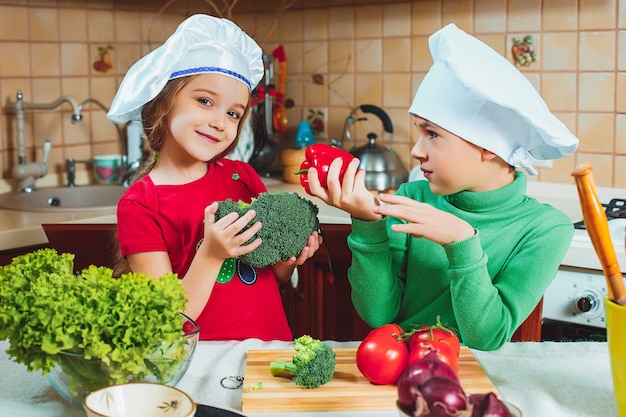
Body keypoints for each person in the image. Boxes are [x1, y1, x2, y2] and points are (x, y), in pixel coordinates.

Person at [306, 24, 579, 351]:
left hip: (477, 387)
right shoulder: (411, 199)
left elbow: (487, 338)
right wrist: (368, 223)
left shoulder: (546, 229)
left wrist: (462, 242)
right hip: (397, 372)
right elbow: (379, 316)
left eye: (432, 134)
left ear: (487, 146)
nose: (416, 150)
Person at [107, 14, 322, 341]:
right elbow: (168, 319)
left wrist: (290, 257)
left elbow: (273, 273)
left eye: (233, 113)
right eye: (205, 101)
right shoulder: (140, 204)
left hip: (270, 350)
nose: (220, 122)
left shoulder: (243, 177)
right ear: (164, 101)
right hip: (201, 362)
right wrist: (210, 254)